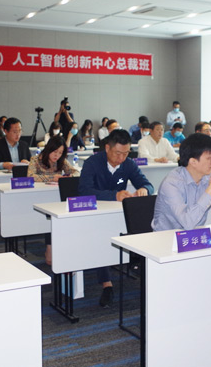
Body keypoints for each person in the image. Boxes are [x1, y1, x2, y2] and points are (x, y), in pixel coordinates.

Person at [79, 129, 154, 307]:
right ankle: (106, 284)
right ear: (107, 148)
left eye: (126, 153)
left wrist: (144, 189)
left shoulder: (128, 163)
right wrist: (114, 195)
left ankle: (141, 268)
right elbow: (84, 191)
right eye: (118, 153)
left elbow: (148, 184)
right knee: (101, 238)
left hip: (117, 213)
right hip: (94, 214)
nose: (121, 158)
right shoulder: (92, 163)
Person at [152, 133, 211, 231]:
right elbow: (187, 223)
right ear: (193, 162)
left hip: (195, 236)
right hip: (166, 237)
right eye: (209, 158)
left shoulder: (208, 179)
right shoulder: (171, 183)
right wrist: (209, 192)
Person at [27, 135, 79, 265]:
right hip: (40, 197)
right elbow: (31, 176)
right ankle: (49, 247)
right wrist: (52, 178)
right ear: (49, 149)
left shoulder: (61, 161)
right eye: (55, 152)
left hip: (58, 195)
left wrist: (68, 176)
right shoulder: (36, 160)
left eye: (60, 153)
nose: (57, 155)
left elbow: (76, 172)